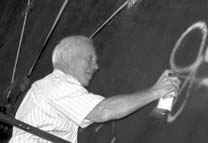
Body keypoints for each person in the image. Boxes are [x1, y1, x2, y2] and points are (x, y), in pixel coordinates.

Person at [9, 35, 181, 143]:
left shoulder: (52, 93)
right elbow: (104, 111)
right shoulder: (55, 85)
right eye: (89, 59)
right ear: (67, 57)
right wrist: (157, 91)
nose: (95, 66)